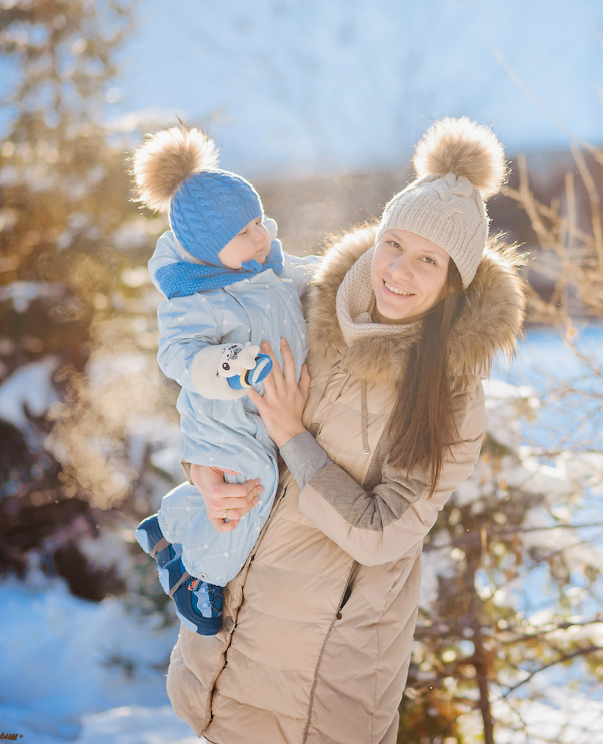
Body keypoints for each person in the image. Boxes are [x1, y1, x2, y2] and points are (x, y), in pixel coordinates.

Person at [164, 117, 526, 743]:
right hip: (228, 646)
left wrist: (291, 438)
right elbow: (213, 397)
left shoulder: (450, 396)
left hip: (323, 676)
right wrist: (205, 473)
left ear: (453, 280)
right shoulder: (305, 304)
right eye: (394, 244)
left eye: (428, 260)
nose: (399, 272)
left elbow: (383, 533)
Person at [131, 126, 313, 636]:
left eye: (258, 221)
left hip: (256, 415)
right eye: (243, 232)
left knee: (246, 481)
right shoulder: (195, 299)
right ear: (209, 249)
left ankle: (167, 526)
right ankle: (201, 576)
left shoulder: (264, 266)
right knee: (251, 490)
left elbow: (306, 273)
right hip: (225, 422)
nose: (261, 236)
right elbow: (180, 357)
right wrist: (234, 364)